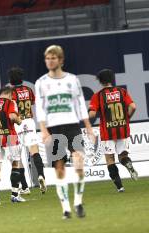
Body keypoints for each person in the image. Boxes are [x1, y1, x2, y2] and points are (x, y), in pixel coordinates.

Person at [35, 45, 94, 219]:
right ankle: (66, 208)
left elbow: (81, 104)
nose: (50, 61)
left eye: (53, 58)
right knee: (59, 169)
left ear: (60, 60)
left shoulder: (72, 80)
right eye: (47, 58)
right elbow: (40, 108)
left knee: (79, 164)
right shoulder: (41, 83)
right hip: (54, 128)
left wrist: (88, 126)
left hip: (72, 126)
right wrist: (44, 130)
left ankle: (78, 202)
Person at [89, 69, 138, 191]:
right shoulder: (122, 91)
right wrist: (127, 118)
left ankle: (120, 187)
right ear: (112, 79)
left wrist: (88, 112)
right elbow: (133, 106)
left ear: (100, 81)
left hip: (107, 131)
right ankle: (128, 164)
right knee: (123, 156)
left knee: (110, 159)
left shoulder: (98, 96)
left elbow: (92, 115)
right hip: (122, 128)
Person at [8, 67, 47, 194]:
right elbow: (33, 103)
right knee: (34, 151)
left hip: (17, 123)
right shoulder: (29, 90)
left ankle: (24, 186)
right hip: (29, 121)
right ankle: (41, 175)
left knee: (17, 157)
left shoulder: (10, 93)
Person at [0, 86, 24, 205]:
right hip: (9, 136)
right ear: (9, 94)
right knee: (15, 164)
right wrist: (19, 120)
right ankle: (14, 195)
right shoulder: (9, 102)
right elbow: (12, 117)